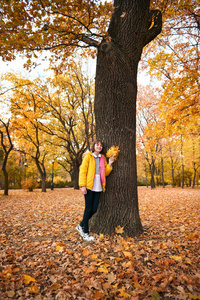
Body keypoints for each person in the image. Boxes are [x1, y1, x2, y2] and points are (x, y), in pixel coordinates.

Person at [76, 140, 115, 241]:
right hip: (89, 186)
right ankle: (85, 232)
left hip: (98, 186)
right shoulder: (88, 157)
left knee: (94, 209)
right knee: (88, 208)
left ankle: (81, 225)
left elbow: (105, 173)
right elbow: (83, 171)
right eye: (97, 145)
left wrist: (110, 163)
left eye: (101, 145)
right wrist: (82, 185)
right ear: (94, 146)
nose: (99, 147)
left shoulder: (102, 158)